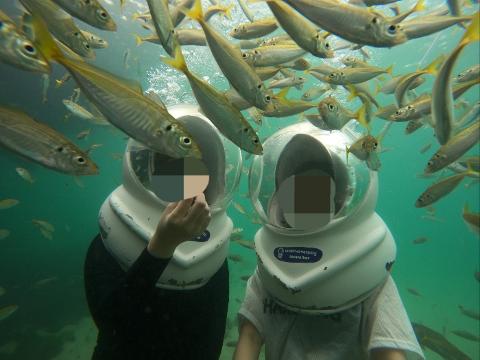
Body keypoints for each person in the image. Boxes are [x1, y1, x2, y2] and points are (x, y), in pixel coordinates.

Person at [233, 122, 425, 360]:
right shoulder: (266, 272)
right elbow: (250, 337)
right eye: (297, 191)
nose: (306, 199)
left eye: (317, 190)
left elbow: (389, 352)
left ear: (338, 197)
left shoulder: (372, 273)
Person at [84, 104, 240, 359]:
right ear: (147, 169)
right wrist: (160, 249)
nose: (184, 180)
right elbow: (112, 325)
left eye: (195, 169)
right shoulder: (111, 236)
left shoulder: (213, 250)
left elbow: (212, 334)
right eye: (171, 166)